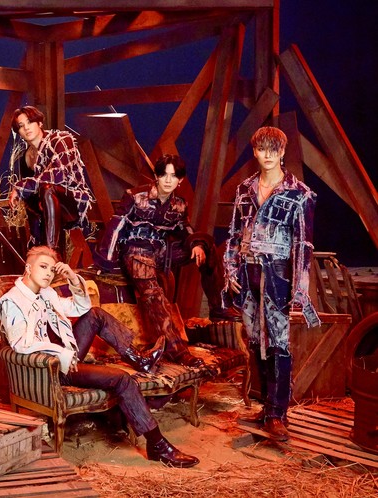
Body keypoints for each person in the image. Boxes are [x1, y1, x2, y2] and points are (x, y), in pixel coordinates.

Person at [0, 245, 200, 468]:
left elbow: (81, 307)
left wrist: (72, 278)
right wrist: (62, 354)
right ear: (28, 267)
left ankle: (138, 359)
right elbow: (21, 345)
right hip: (49, 369)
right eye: (43, 267)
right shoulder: (11, 301)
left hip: (66, 357)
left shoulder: (47, 293)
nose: (47, 274)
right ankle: (157, 445)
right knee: (122, 379)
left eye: (51, 270)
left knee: (95, 314)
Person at [96, 154, 239, 368]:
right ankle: (176, 350)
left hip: (162, 254)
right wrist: (106, 263)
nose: (168, 180)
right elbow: (115, 227)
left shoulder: (179, 205)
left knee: (206, 243)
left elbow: (184, 228)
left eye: (173, 176)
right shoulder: (135, 196)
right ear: (157, 176)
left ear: (180, 180)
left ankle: (220, 307)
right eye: (164, 175)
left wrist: (196, 244)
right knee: (153, 295)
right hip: (136, 252)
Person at [224, 126, 320, 441]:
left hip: (277, 274)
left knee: (278, 342)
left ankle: (278, 414)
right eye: (261, 149)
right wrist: (230, 270)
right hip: (247, 272)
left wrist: (300, 289)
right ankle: (266, 409)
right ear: (255, 151)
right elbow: (234, 234)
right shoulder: (244, 189)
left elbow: (303, 245)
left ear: (282, 152)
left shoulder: (299, 193)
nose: (267, 155)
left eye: (273, 149)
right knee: (255, 341)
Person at [8, 105, 95, 254]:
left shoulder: (61, 140)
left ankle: (50, 252)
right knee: (34, 197)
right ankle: (37, 248)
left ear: (40, 123)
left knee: (47, 188)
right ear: (19, 132)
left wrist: (20, 187)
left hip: (72, 200)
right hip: (44, 207)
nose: (26, 128)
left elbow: (59, 174)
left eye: (30, 122)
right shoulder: (26, 157)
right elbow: (29, 195)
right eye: (21, 126)